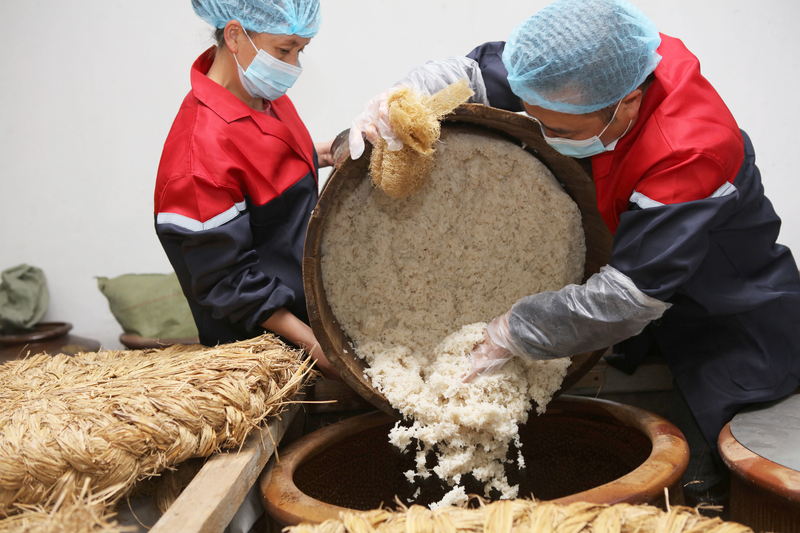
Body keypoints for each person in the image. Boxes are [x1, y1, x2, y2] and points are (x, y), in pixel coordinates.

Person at [349, 0, 800, 511]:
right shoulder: (595, 65)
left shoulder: (689, 149)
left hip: (730, 317)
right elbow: (474, 75)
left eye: (560, 131)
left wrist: (508, 332)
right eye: (537, 120)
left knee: (704, 477)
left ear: (628, 104)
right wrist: (404, 98)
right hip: (653, 309)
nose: (545, 137)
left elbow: (626, 300)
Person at [154, 0, 340, 381]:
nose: (293, 65)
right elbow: (228, 282)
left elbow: (273, 166)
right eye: (284, 50)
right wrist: (316, 346)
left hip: (310, 310)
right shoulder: (198, 156)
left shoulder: (262, 95)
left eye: (300, 51)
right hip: (266, 348)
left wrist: (334, 151)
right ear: (235, 35)